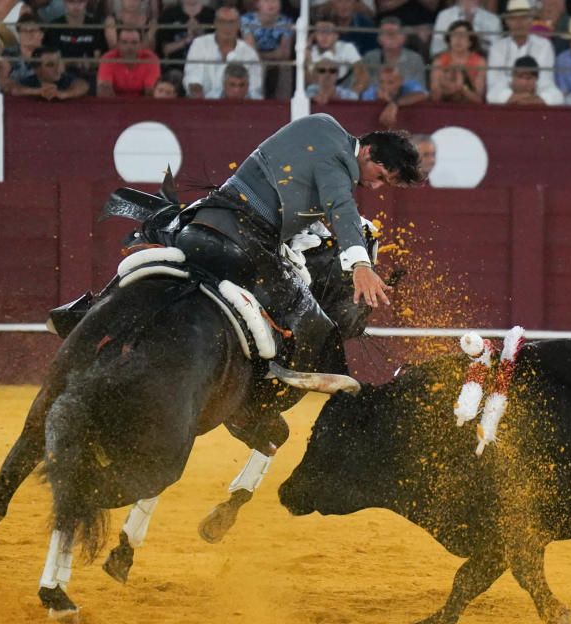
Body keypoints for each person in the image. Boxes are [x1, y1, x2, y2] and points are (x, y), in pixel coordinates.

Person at [167, 114, 422, 451]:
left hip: (203, 222)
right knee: (310, 322)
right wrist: (361, 264)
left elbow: (297, 187)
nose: (373, 186)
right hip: (244, 244)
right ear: (368, 151)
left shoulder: (322, 124)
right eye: (380, 177)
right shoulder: (338, 165)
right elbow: (340, 207)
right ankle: (248, 411)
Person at [184, 6, 263, 100]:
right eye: (222, 22)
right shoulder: (199, 44)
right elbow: (192, 76)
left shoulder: (249, 53)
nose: (227, 27)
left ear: (239, 25)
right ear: (215, 23)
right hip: (203, 105)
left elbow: (254, 89)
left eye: (231, 22)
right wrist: (196, 91)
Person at [487, 0, 558, 102]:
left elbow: (545, 80)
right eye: (514, 18)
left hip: (536, 97)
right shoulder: (497, 48)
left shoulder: (544, 45)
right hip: (507, 100)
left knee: (554, 95)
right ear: (507, 21)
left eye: (524, 18)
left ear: (531, 20)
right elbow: (494, 83)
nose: (519, 23)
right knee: (493, 95)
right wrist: (517, 98)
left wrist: (530, 99)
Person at [43, 0, 104, 86]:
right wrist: (74, 62)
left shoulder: (96, 26)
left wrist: (90, 63)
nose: (76, 6)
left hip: (89, 77)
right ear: (64, 3)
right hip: (61, 77)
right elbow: (50, 59)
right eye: (71, 2)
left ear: (86, 2)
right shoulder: (54, 27)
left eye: (80, 2)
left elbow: (99, 59)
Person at [241, 0, 294, 99]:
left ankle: (284, 103)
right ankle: (256, 99)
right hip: (255, 60)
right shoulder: (246, 20)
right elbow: (251, 52)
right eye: (266, 0)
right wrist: (273, 55)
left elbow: (285, 53)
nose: (271, 4)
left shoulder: (286, 21)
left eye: (275, 1)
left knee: (286, 66)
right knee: (257, 64)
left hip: (276, 61)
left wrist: (264, 55)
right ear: (257, 3)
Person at [155, 0, 215, 82]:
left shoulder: (213, 15)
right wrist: (187, 39)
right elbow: (165, 50)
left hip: (206, 67)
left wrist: (199, 35)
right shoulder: (168, 15)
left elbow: (216, 49)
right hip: (176, 68)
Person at [306, 15, 368, 94]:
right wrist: (307, 59)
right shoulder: (310, 52)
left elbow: (362, 75)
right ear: (314, 35)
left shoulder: (347, 48)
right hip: (318, 94)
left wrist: (350, 95)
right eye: (320, 31)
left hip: (345, 90)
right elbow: (310, 83)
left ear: (336, 35)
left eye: (328, 31)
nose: (324, 36)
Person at [428, 19, 486, 103]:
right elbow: (435, 97)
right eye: (454, 35)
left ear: (470, 42)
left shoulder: (480, 62)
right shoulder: (439, 62)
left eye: (463, 36)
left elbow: (478, 99)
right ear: (449, 39)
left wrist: (461, 88)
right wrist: (453, 90)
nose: (458, 40)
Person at [361, 16, 425, 88]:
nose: (391, 37)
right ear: (379, 39)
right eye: (387, 33)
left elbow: (420, 90)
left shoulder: (415, 59)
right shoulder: (370, 58)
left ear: (404, 38)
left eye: (395, 33)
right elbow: (361, 86)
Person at [96, 26, 160, 96]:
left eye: (134, 42)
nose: (129, 47)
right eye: (124, 42)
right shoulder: (108, 58)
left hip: (142, 105)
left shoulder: (150, 59)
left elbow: (150, 93)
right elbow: (104, 92)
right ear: (118, 44)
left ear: (141, 44)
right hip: (115, 105)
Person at [360, 62, 428, 126]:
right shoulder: (371, 92)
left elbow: (423, 95)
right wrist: (381, 101)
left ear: (401, 81)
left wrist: (394, 104)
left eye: (390, 82)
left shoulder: (410, 85)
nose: (385, 86)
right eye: (381, 82)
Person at [9, 44, 88, 99]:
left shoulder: (65, 79)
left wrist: (64, 94)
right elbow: (14, 89)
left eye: (59, 62)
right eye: (50, 65)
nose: (57, 68)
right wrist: (39, 92)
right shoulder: (29, 81)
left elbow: (82, 85)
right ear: (36, 69)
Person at [430, 0, 501, 56]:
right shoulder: (444, 15)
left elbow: (496, 51)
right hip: (450, 61)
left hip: (480, 63)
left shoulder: (493, 20)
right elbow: (436, 48)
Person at [488, 53, 564, 104]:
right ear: (513, 76)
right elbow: (491, 96)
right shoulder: (504, 82)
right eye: (520, 77)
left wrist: (525, 99)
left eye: (528, 78)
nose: (524, 82)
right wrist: (528, 97)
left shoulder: (543, 84)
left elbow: (559, 97)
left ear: (536, 79)